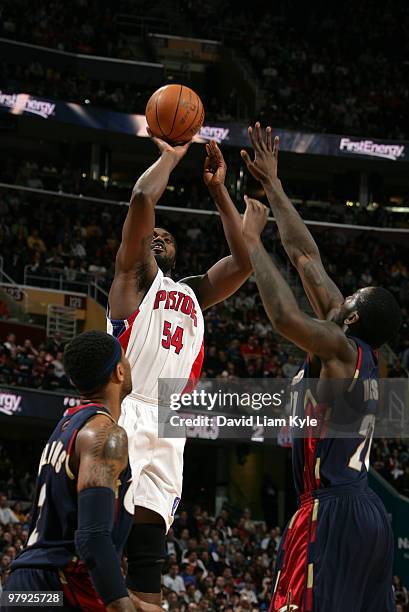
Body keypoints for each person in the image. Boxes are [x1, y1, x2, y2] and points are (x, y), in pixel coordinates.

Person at [241, 123, 401, 612]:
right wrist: (274, 185)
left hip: (330, 510)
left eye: (349, 295)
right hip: (370, 515)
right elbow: (304, 255)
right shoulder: (360, 354)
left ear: (351, 315)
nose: (340, 290)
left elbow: (285, 316)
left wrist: (250, 242)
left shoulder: (338, 345)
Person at [108, 134, 251, 609]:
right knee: (102, 535)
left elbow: (244, 261)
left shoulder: (191, 292)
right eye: (154, 235)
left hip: (171, 424)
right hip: (127, 412)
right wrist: (171, 157)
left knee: (149, 552)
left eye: (168, 236)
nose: (161, 235)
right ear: (141, 247)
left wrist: (218, 191)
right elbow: (142, 198)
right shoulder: (130, 283)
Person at [2, 331, 135, 611]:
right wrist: (120, 605)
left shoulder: (66, 427)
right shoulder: (106, 434)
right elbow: (92, 538)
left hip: (23, 589)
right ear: (120, 372)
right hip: (58, 586)